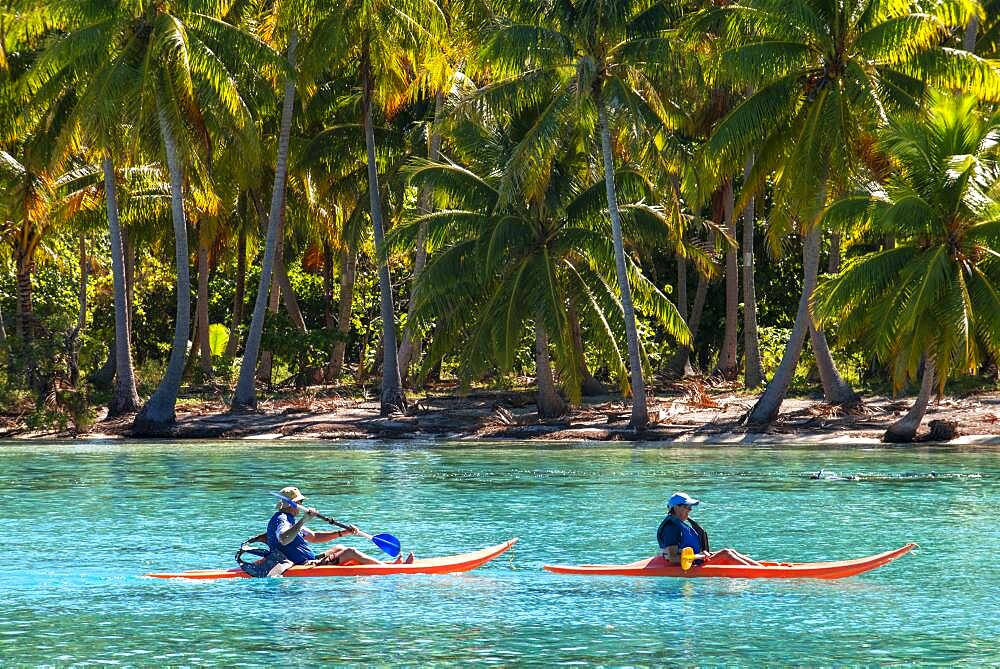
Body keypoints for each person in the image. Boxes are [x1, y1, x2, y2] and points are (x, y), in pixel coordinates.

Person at [268, 486, 414, 568]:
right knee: (351, 551)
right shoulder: (282, 519)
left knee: (340, 546)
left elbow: (314, 537)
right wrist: (304, 520)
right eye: (299, 503)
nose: (301, 506)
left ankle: (377, 564)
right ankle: (388, 568)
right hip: (305, 565)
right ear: (291, 504)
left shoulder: (290, 519)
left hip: (310, 559)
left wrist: (343, 532)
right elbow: (283, 538)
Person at [656, 492, 759, 567]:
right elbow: (672, 557)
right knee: (726, 553)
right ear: (676, 508)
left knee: (730, 551)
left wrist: (701, 556)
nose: (690, 510)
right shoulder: (671, 528)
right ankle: (759, 573)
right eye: (687, 507)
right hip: (689, 566)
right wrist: (699, 556)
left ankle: (760, 568)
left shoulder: (677, 525)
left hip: (695, 561)